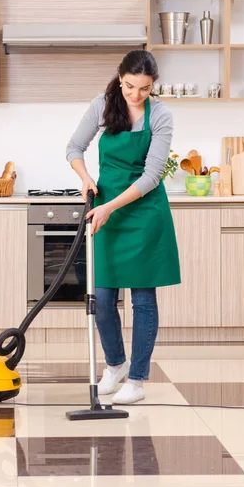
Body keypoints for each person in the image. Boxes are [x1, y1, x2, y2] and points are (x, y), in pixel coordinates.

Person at [66, 50, 181, 405]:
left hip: (143, 211)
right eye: (130, 86)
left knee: (143, 298)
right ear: (119, 77)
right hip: (106, 206)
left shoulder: (161, 115)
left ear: (152, 87)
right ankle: (115, 365)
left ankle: (137, 379)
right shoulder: (102, 104)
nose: (135, 95)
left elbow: (151, 176)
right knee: (102, 298)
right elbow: (74, 147)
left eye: (144, 89)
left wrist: (110, 208)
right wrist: (85, 177)